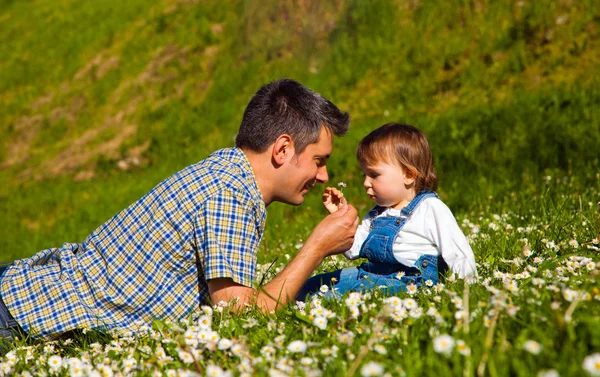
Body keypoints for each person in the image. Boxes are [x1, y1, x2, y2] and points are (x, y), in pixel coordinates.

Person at [0, 78, 359, 339]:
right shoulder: (228, 193)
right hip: (21, 314)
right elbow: (240, 313)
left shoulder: (227, 173)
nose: (324, 175)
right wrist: (318, 247)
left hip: (24, 295)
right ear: (282, 150)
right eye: (318, 160)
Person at [297, 123, 477, 300]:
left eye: (374, 175)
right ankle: (294, 296)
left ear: (408, 175)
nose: (366, 183)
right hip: (371, 274)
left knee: (334, 296)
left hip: (410, 282)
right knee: (312, 285)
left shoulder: (430, 209)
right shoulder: (377, 214)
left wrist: (466, 289)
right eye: (364, 175)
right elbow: (353, 250)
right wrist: (340, 215)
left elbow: (457, 251)